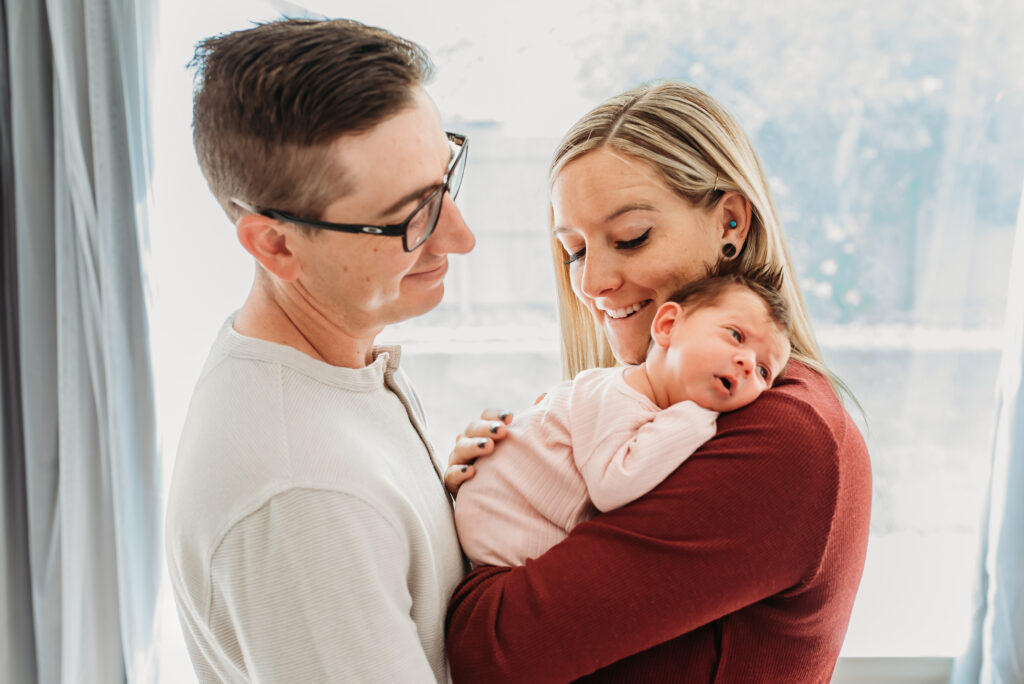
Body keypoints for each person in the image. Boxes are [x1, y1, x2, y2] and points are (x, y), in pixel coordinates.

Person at [445, 81, 872, 683]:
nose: (592, 282)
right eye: (573, 251)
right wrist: (500, 488)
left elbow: (487, 650)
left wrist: (472, 547)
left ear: (730, 221)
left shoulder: (782, 438)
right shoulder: (658, 412)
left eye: (631, 238)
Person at [163, 19, 477, 683]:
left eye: (444, 179)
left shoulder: (339, 363)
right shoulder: (305, 499)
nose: (459, 236)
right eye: (410, 216)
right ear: (274, 244)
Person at [454, 264, 791, 568]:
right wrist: (698, 417)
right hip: (506, 521)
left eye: (764, 370)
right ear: (669, 325)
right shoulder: (619, 395)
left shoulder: (648, 405)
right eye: (735, 335)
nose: (747, 363)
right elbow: (613, 487)